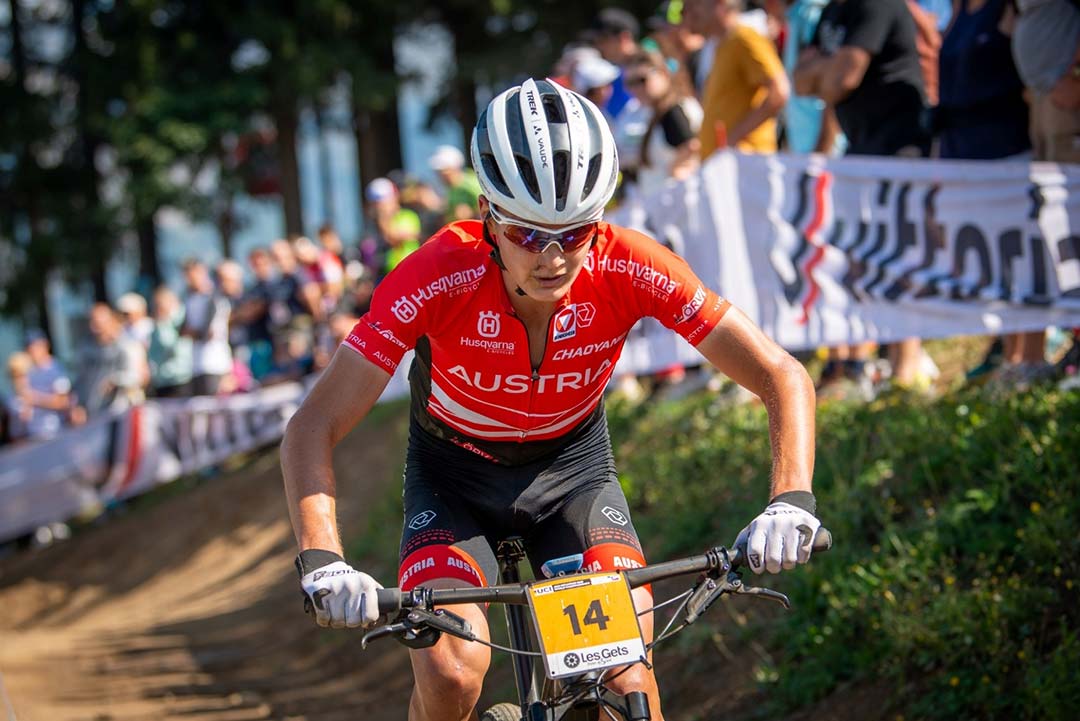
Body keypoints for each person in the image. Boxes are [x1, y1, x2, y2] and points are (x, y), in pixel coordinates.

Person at [282, 79, 822, 721]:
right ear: (487, 213)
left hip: (573, 478)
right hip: (455, 482)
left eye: (576, 233)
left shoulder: (629, 265)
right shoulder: (434, 274)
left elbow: (781, 374)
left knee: (626, 677)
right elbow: (313, 426)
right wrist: (323, 561)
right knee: (452, 674)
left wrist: (790, 500)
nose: (554, 257)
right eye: (528, 235)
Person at [794, 0, 932, 392]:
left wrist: (824, 71)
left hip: (899, 147)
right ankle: (865, 364)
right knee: (862, 262)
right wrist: (826, 72)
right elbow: (800, 82)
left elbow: (840, 82)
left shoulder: (875, 4)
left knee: (901, 259)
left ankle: (908, 367)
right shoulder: (831, 13)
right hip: (859, 149)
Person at [683, 0, 791, 156]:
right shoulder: (722, 44)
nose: (687, 13)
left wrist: (733, 138)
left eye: (693, 5)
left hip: (746, 164)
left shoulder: (744, 38)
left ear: (720, 4)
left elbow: (779, 93)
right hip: (729, 166)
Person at [623, 48, 704, 195]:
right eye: (630, 83)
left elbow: (692, 146)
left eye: (642, 80)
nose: (636, 88)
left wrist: (675, 172)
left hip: (676, 203)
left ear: (663, 73)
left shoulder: (673, 110)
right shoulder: (657, 110)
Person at [181, 259, 233, 396]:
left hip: (215, 363)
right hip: (196, 365)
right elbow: (182, 331)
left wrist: (193, 333)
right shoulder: (189, 300)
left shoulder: (215, 299)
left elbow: (207, 332)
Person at [364, 177, 422, 280]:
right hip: (388, 276)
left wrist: (382, 217)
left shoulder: (407, 216)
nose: (380, 206)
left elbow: (393, 238)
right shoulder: (373, 226)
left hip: (410, 272)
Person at [148, 286, 195, 398]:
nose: (158, 307)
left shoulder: (183, 318)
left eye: (160, 303)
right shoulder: (158, 325)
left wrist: (162, 323)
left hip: (181, 378)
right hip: (162, 381)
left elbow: (169, 345)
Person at [428, 145, 483, 223]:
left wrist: (471, 214)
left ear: (454, 168)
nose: (439, 175)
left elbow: (490, 209)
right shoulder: (452, 188)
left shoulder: (472, 184)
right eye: (438, 171)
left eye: (443, 170)